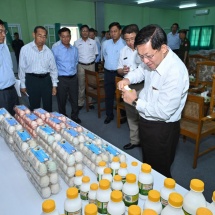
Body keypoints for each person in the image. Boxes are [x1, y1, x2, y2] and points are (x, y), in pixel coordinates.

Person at [118, 24, 189, 177]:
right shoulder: (152, 59)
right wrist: (128, 79)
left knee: (160, 171)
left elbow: (163, 112)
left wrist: (135, 102)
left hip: (162, 128)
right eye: (140, 56)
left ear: (163, 48)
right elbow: (141, 71)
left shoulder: (175, 72)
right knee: (148, 166)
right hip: (146, 120)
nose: (145, 60)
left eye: (148, 56)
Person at [19, 26, 58, 112]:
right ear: (34, 35)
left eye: (44, 36)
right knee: (34, 105)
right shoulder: (25, 49)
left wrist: (54, 85)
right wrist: (22, 85)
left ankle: (48, 124)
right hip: (32, 80)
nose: (42, 39)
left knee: (48, 105)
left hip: (46, 80)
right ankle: (35, 124)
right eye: (39, 36)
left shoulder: (48, 51)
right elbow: (21, 68)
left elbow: (53, 69)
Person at [117, 24, 143, 150]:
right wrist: (122, 71)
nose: (130, 42)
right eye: (127, 40)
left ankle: (145, 140)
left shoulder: (144, 49)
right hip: (128, 84)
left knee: (143, 114)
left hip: (143, 86)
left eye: (132, 39)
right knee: (131, 114)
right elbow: (119, 69)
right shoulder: (123, 51)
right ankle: (134, 140)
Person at [52, 27, 81, 123]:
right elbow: (53, 65)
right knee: (61, 99)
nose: (66, 39)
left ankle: (75, 116)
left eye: (67, 36)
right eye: (63, 37)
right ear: (60, 37)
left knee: (74, 99)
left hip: (73, 78)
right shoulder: (55, 49)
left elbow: (76, 62)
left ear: (70, 36)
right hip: (61, 79)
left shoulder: (75, 49)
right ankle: (63, 117)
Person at [102, 22, 126, 124]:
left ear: (120, 31)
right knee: (109, 95)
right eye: (111, 31)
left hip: (120, 74)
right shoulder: (105, 43)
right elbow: (104, 57)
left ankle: (123, 115)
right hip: (108, 73)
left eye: (115, 31)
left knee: (122, 96)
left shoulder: (125, 44)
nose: (113, 33)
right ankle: (109, 115)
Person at [74, 25, 98, 110]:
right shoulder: (76, 42)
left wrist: (91, 61)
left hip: (91, 65)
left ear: (89, 32)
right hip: (81, 66)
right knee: (81, 85)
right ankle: (80, 102)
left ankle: (90, 102)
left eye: (86, 31)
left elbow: (96, 53)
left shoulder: (93, 42)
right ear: (80, 32)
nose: (85, 32)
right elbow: (75, 55)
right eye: (83, 30)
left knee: (91, 85)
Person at [0, 19, 19, 115]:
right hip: (1, 94)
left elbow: (9, 67)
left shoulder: (5, 47)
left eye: (4, 31)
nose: (3, 34)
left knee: (16, 119)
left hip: (12, 90)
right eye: (0, 31)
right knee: (4, 122)